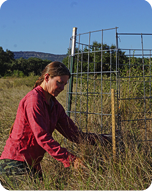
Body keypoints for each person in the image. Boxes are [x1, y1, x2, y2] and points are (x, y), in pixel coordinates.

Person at [0, 61, 110, 188]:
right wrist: (71, 159)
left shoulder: (55, 106)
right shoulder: (34, 100)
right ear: (47, 77)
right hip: (15, 163)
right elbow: (42, 136)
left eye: (65, 84)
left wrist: (105, 139)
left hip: (33, 165)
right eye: (59, 82)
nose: (62, 88)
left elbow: (74, 134)